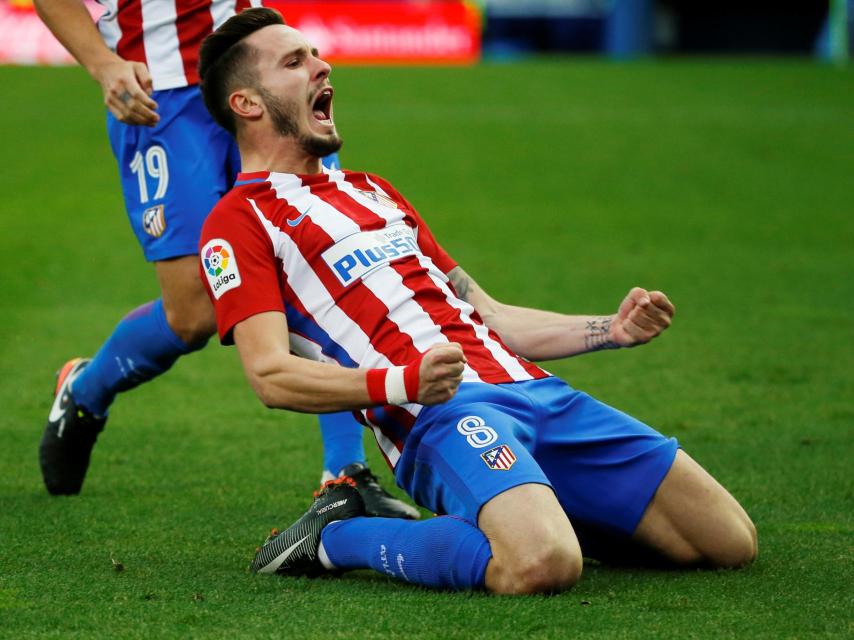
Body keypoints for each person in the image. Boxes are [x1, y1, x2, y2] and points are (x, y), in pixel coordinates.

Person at [196, 8, 758, 594]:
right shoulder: (237, 223)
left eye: (315, 53)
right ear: (248, 104)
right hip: (443, 417)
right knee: (541, 564)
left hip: (537, 394)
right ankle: (337, 536)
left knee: (726, 542)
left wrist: (608, 329)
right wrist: (403, 384)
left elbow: (485, 316)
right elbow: (271, 375)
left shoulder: (373, 190)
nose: (322, 65)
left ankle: (529, 503)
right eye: (295, 62)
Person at [34, 0, 417, 519]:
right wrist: (104, 65)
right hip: (160, 95)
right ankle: (86, 389)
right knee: (195, 314)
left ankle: (345, 475)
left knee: (315, 269)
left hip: (266, 78)